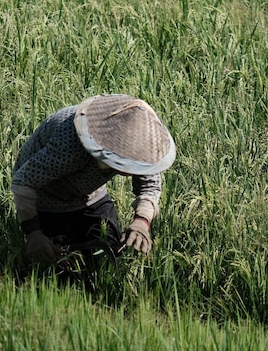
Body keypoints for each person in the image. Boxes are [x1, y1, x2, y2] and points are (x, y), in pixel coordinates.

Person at [11, 94, 176, 264]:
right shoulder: (70, 142)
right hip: (48, 198)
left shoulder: (142, 142)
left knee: (110, 257)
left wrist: (141, 222)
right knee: (61, 269)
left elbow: (150, 185)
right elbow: (24, 181)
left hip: (92, 195)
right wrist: (33, 233)